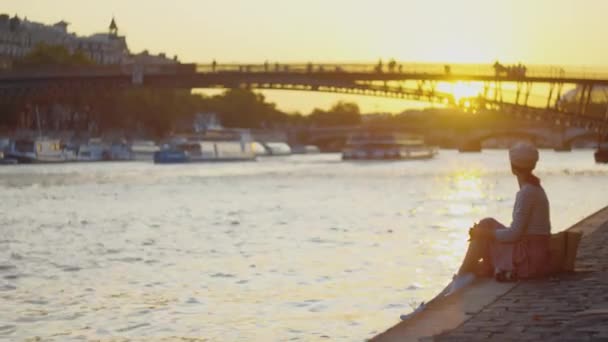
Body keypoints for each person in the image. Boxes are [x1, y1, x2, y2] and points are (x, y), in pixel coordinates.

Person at [447, 142, 551, 294]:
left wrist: (483, 234)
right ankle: (469, 272)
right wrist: (484, 232)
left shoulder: (526, 193)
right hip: (535, 253)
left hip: (528, 259)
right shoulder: (535, 189)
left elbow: (514, 234)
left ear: (513, 167)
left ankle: (462, 275)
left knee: (484, 229)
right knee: (487, 223)